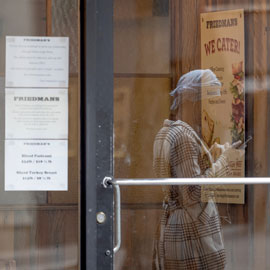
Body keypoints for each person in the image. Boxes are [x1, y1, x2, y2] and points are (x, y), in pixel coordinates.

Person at [152, 69, 239, 270]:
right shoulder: (183, 136)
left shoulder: (166, 131)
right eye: (211, 101)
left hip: (178, 226)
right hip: (190, 232)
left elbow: (182, 180)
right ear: (194, 100)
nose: (214, 110)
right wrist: (225, 161)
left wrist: (210, 157)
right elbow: (193, 193)